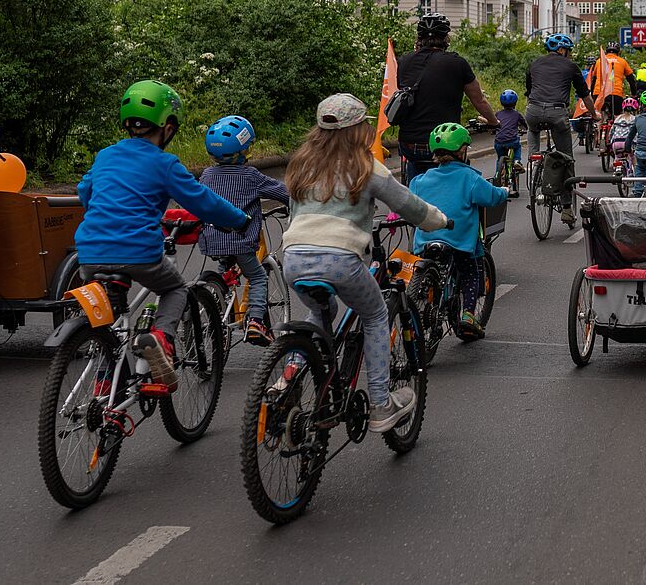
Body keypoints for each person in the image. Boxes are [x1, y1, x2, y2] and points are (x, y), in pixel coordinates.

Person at [281, 93, 447, 433]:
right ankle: (381, 404)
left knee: (318, 313)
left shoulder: (302, 164)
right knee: (375, 316)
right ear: (359, 130)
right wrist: (439, 221)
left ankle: (288, 377)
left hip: (294, 257)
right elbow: (411, 207)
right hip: (341, 258)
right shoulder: (367, 167)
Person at [75, 80, 248, 389]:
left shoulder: (105, 156)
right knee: (176, 289)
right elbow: (203, 201)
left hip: (89, 252)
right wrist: (238, 219)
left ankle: (104, 384)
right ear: (168, 127)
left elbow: (85, 191)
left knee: (107, 322)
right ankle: (160, 338)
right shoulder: (164, 163)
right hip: (138, 253)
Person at [410, 123, 508, 340]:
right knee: (471, 273)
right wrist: (504, 191)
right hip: (458, 241)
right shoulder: (470, 178)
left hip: (425, 241)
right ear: (462, 151)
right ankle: (468, 315)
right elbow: (491, 197)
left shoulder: (420, 180)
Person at [199, 115, 289, 346]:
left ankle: (218, 305)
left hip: (211, 240)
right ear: (245, 149)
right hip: (240, 240)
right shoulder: (251, 176)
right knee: (258, 276)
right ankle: (256, 321)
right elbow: (283, 193)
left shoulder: (207, 175)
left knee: (224, 271)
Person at [396, 13, 499, 184]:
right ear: (446, 38)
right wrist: (493, 122)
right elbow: (479, 100)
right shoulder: (457, 64)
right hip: (445, 144)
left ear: (419, 38)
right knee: (456, 174)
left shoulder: (404, 61)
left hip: (409, 144)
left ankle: (412, 199)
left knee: (414, 177)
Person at [525, 33, 597, 224]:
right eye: (569, 51)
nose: (570, 55)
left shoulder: (534, 63)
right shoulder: (571, 67)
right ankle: (566, 208)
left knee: (532, 130)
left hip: (532, 110)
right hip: (557, 113)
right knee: (566, 159)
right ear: (562, 50)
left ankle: (534, 164)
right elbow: (585, 96)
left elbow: (529, 90)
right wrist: (595, 114)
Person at [489, 89, 527, 198]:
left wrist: (493, 131)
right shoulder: (517, 114)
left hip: (499, 141)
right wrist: (525, 129)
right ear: (515, 103)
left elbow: (494, 125)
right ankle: (517, 161)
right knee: (518, 146)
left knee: (499, 158)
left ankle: (497, 176)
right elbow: (524, 125)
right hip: (512, 141)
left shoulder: (498, 114)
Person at [591, 42, 637, 117]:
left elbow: (594, 80)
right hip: (616, 93)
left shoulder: (599, 61)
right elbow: (631, 80)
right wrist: (634, 94)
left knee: (598, 117)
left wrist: (593, 95)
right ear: (618, 52)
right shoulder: (622, 61)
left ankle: (599, 127)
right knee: (617, 116)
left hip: (599, 93)